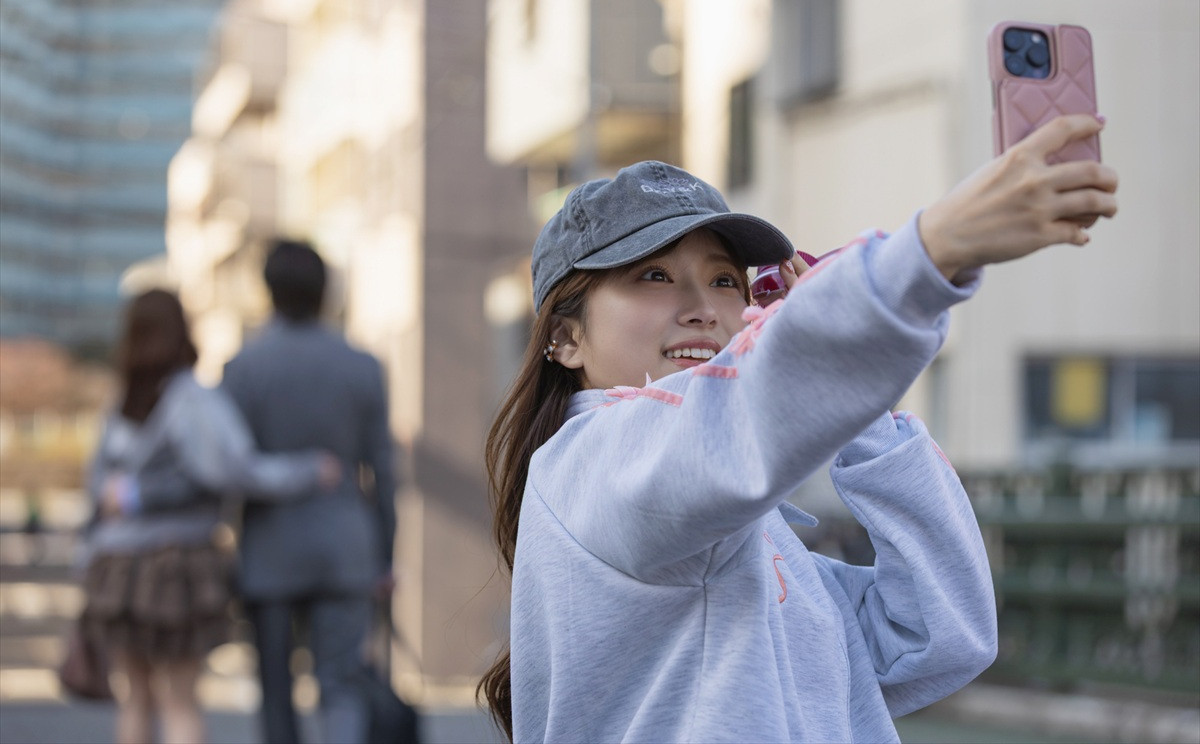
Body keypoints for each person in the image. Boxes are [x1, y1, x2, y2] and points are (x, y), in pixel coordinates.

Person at [479, 114, 1118, 742]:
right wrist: (934, 250)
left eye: (725, 280)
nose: (703, 308)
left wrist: (861, 412)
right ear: (565, 337)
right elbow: (737, 420)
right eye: (653, 275)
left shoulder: (742, 525)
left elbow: (940, 635)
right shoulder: (594, 462)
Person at [82, 289, 339, 744]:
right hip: (173, 567)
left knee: (137, 699)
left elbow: (97, 493)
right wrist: (308, 470)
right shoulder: (191, 399)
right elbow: (235, 472)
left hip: (114, 569)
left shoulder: (117, 403)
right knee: (179, 700)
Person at [222, 240, 397, 744]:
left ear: (268, 292)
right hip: (346, 549)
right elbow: (383, 471)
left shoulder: (243, 369)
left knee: (275, 694)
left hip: (268, 550)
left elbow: (233, 470)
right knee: (342, 688)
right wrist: (385, 557)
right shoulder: (362, 365)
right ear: (326, 292)